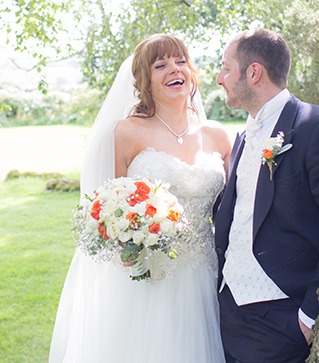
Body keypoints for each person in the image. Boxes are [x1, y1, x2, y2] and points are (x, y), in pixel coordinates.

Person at [49, 34, 232, 363]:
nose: (174, 69)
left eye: (180, 61)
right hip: (147, 279)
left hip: (206, 273)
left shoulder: (216, 134)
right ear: (144, 81)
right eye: (160, 64)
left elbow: (236, 206)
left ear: (191, 72)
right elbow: (106, 210)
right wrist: (132, 237)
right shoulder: (126, 133)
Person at [214, 28, 319, 363]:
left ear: (254, 72)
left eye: (226, 68)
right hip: (228, 311)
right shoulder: (243, 137)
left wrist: (309, 315)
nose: (219, 79)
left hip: (283, 318)